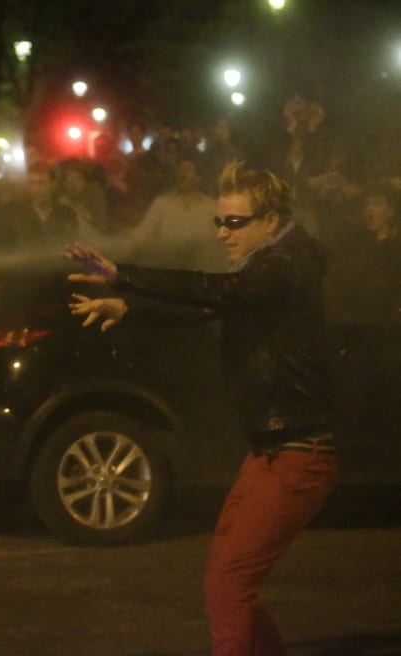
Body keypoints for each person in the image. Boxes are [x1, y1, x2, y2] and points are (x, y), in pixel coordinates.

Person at [63, 160, 338, 656]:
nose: (222, 234)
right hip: (271, 451)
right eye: (218, 221)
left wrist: (124, 274)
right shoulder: (268, 266)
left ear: (270, 222)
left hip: (298, 454)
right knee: (224, 581)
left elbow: (215, 292)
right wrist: (128, 306)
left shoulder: (283, 266)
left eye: (234, 223)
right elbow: (209, 305)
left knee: (229, 584)